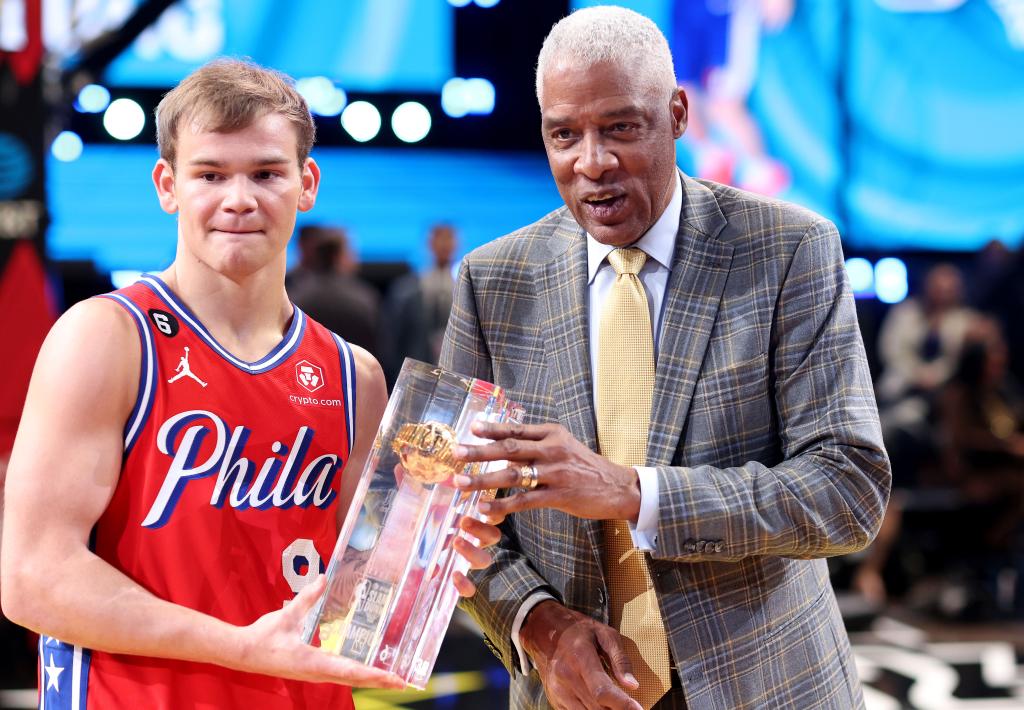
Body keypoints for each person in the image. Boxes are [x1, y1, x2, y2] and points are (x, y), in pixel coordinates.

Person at [0, 59, 498, 709]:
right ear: (167, 184)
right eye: (211, 174)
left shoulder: (355, 375)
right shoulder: (106, 338)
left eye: (266, 172)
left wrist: (452, 549)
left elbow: (368, 589)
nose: (239, 198)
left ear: (306, 182)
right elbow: (32, 579)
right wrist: (244, 646)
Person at [444, 7, 890, 709]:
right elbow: (457, 518)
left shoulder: (787, 252)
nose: (591, 162)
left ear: (678, 114)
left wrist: (635, 493)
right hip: (575, 693)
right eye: (565, 134)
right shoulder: (492, 282)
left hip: (768, 687)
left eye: (620, 127)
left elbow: (848, 490)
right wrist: (541, 626)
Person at [287, 224, 381, 355]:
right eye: (351, 252)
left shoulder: (294, 298)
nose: (355, 258)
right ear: (337, 257)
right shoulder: (364, 298)